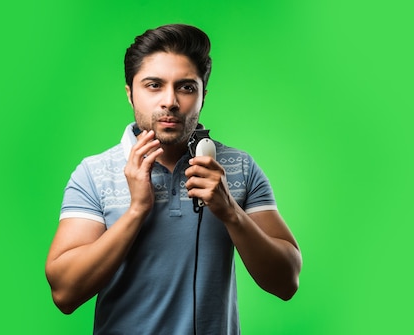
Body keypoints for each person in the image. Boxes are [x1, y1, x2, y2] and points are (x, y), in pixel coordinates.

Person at [45, 24, 302, 334]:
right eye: (154, 85)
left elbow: (286, 282)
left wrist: (231, 212)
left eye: (186, 87)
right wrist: (137, 210)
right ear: (130, 94)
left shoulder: (238, 168)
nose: (170, 101)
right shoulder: (93, 173)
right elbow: (64, 293)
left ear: (203, 95)